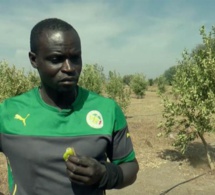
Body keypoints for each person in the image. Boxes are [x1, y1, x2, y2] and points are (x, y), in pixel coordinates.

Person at [0, 18, 139, 195]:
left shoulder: (108, 110)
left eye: (75, 58)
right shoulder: (7, 113)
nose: (69, 68)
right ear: (34, 60)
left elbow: (130, 167)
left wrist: (104, 174)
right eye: (56, 59)